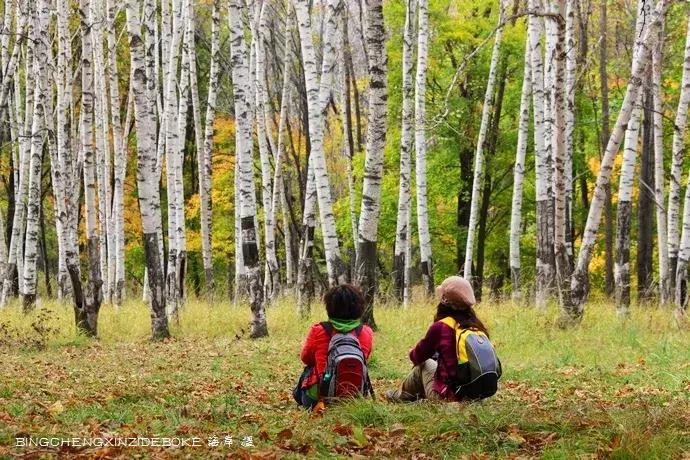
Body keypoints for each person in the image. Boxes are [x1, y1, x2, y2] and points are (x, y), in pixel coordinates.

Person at [386, 276, 497, 402]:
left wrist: (412, 352)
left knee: (425, 363)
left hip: (448, 398)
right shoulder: (477, 326)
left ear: (444, 300)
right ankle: (409, 396)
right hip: (477, 398)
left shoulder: (442, 326)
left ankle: (401, 396)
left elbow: (417, 356)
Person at [293, 284, 374, 409]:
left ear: (329, 306)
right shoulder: (366, 332)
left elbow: (305, 358)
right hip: (354, 398)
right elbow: (365, 358)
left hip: (318, 400)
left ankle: (304, 397)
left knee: (309, 369)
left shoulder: (318, 330)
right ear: (360, 307)